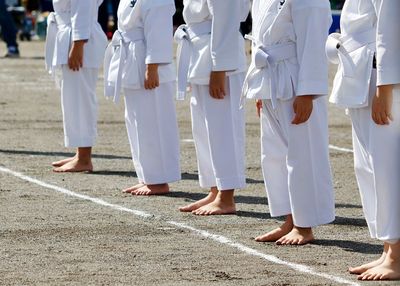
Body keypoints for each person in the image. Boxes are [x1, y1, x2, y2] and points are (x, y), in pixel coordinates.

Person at [243, 0, 335, 244]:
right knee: (274, 155)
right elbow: (260, 39)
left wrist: (307, 92)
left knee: (303, 155)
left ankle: (305, 225)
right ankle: (290, 218)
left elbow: (314, 42)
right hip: (271, 79)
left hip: (296, 80)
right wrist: (259, 86)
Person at [327, 0, 400, 280]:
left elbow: (390, 29)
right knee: (368, 168)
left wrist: (385, 87)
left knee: (386, 168)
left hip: (379, 78)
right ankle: (388, 247)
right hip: (362, 75)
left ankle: (396, 253)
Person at [175, 0, 250, 215]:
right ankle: (215, 188)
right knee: (204, 129)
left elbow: (225, 17)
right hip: (201, 50)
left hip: (219, 54)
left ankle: (226, 195)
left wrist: (220, 67)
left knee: (223, 127)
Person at [104, 0, 181, 195]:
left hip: (148, 62)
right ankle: (147, 176)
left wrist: (153, 65)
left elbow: (159, 29)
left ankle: (159, 180)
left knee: (152, 121)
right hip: (132, 57)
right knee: (136, 120)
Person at [45, 0, 108, 172]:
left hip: (79, 39)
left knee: (80, 100)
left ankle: (84, 158)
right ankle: (80, 153)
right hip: (71, 35)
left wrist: (79, 43)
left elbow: (83, 7)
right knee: (73, 98)